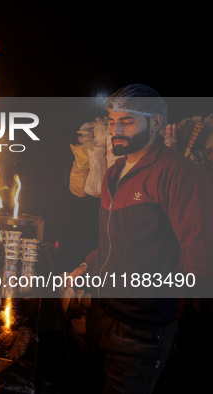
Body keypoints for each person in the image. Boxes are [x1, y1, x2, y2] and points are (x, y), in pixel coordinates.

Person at [69, 84, 213, 393]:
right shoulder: (115, 171)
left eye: (128, 121)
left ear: (157, 123)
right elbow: (114, 241)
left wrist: (148, 299)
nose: (115, 130)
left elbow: (200, 262)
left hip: (141, 331)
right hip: (100, 314)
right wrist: (86, 265)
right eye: (112, 121)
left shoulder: (179, 174)